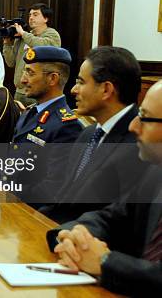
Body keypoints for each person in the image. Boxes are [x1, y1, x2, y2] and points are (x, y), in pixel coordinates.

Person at [46, 80, 162, 297]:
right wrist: (73, 235)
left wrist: (105, 262)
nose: (133, 126)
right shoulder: (156, 172)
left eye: (144, 118)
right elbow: (112, 217)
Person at [39, 46, 150, 223]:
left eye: (81, 82)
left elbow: (117, 220)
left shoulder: (138, 144)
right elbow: (63, 199)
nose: (74, 90)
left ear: (106, 90)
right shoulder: (88, 134)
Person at [6, 46, 83, 200]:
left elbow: (52, 188)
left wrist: (8, 194)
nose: (23, 80)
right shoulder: (30, 112)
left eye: (30, 73)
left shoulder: (67, 126)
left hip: (31, 213)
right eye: (24, 71)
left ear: (52, 79)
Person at [2, 3, 61, 106]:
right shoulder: (24, 37)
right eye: (30, 15)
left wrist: (24, 34)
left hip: (40, 92)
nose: (31, 18)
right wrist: (7, 43)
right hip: (20, 91)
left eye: (35, 14)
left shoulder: (52, 35)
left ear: (45, 19)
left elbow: (42, 47)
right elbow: (10, 62)